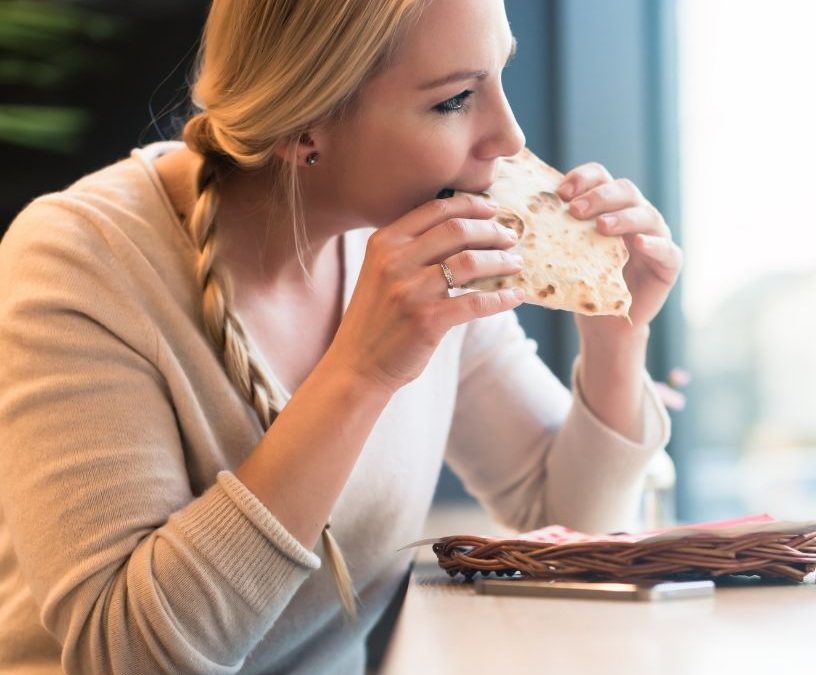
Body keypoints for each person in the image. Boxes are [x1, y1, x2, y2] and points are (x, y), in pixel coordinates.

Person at [0, 0, 682, 672]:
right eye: (454, 100)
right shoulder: (80, 259)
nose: (509, 137)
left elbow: (562, 516)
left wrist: (616, 337)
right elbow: (130, 654)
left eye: (500, 75)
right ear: (306, 126)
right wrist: (360, 373)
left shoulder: (432, 252)